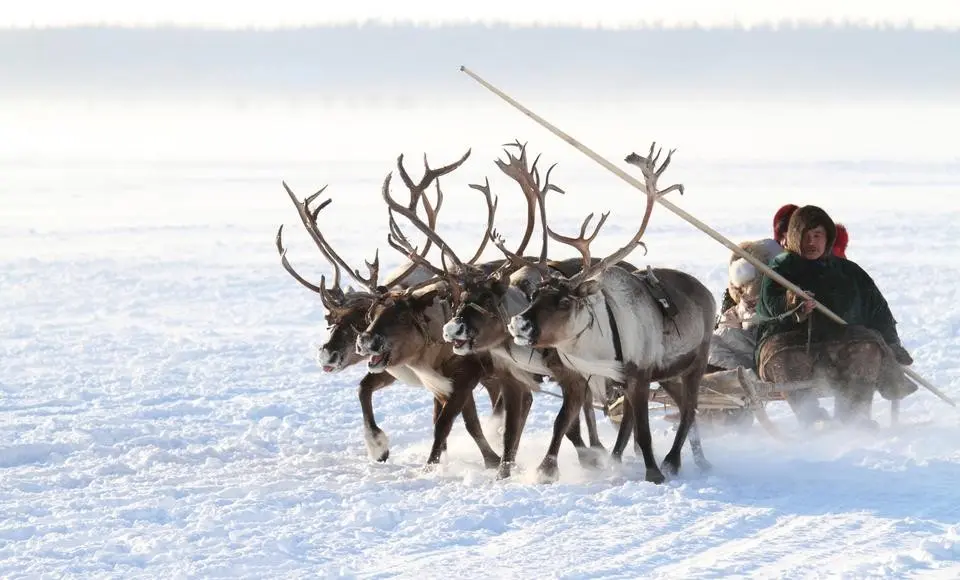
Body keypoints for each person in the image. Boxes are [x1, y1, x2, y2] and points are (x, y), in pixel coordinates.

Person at [754, 205, 916, 427]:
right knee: (786, 358)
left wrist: (891, 344)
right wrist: (792, 304)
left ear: (828, 237)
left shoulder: (849, 272)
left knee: (867, 348)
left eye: (817, 235)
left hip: (838, 346)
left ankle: (854, 418)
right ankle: (813, 420)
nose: (811, 242)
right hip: (791, 346)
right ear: (793, 237)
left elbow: (878, 311)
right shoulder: (779, 270)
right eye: (805, 236)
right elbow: (767, 306)